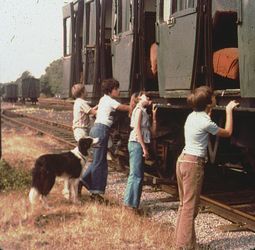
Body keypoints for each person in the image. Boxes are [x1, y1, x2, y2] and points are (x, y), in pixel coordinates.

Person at [174, 86, 239, 249]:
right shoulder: (205, 121)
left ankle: (180, 242)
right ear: (209, 102)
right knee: (190, 207)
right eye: (213, 97)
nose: (215, 98)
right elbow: (228, 132)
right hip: (193, 164)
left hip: (182, 160)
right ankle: (186, 246)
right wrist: (229, 110)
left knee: (184, 205)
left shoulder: (192, 116)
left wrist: (209, 111)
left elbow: (205, 121)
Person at [80, 78, 130, 201]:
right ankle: (95, 192)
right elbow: (123, 107)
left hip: (96, 129)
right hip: (101, 130)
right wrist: (134, 106)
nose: (118, 91)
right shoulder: (109, 100)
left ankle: (82, 181)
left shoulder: (102, 99)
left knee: (98, 159)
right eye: (116, 89)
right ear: (111, 90)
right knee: (100, 162)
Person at [123, 92, 152, 210]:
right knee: (135, 175)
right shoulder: (139, 110)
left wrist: (154, 116)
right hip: (136, 143)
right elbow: (137, 130)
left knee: (137, 175)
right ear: (140, 98)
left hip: (137, 144)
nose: (149, 98)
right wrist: (144, 147)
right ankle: (129, 205)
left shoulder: (142, 110)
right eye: (147, 96)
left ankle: (133, 205)